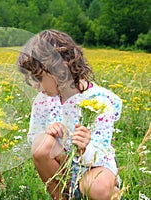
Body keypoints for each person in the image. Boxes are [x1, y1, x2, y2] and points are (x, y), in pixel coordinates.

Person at [16, 30, 122, 200]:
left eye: (38, 78)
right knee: (41, 144)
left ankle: (111, 192)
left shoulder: (100, 101)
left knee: (98, 187)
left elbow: (103, 151)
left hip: (95, 168)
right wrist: (47, 134)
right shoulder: (43, 100)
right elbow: (33, 140)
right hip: (64, 168)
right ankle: (65, 197)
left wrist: (85, 148)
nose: (35, 86)